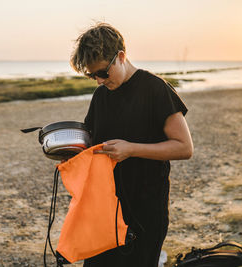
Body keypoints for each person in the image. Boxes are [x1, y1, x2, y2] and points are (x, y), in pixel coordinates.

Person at [70, 23, 193, 267]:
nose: (98, 81)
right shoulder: (100, 96)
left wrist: (131, 149)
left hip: (145, 210)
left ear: (121, 57)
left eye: (103, 73)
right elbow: (92, 145)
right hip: (104, 208)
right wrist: (69, 154)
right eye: (92, 75)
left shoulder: (156, 90)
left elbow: (184, 148)